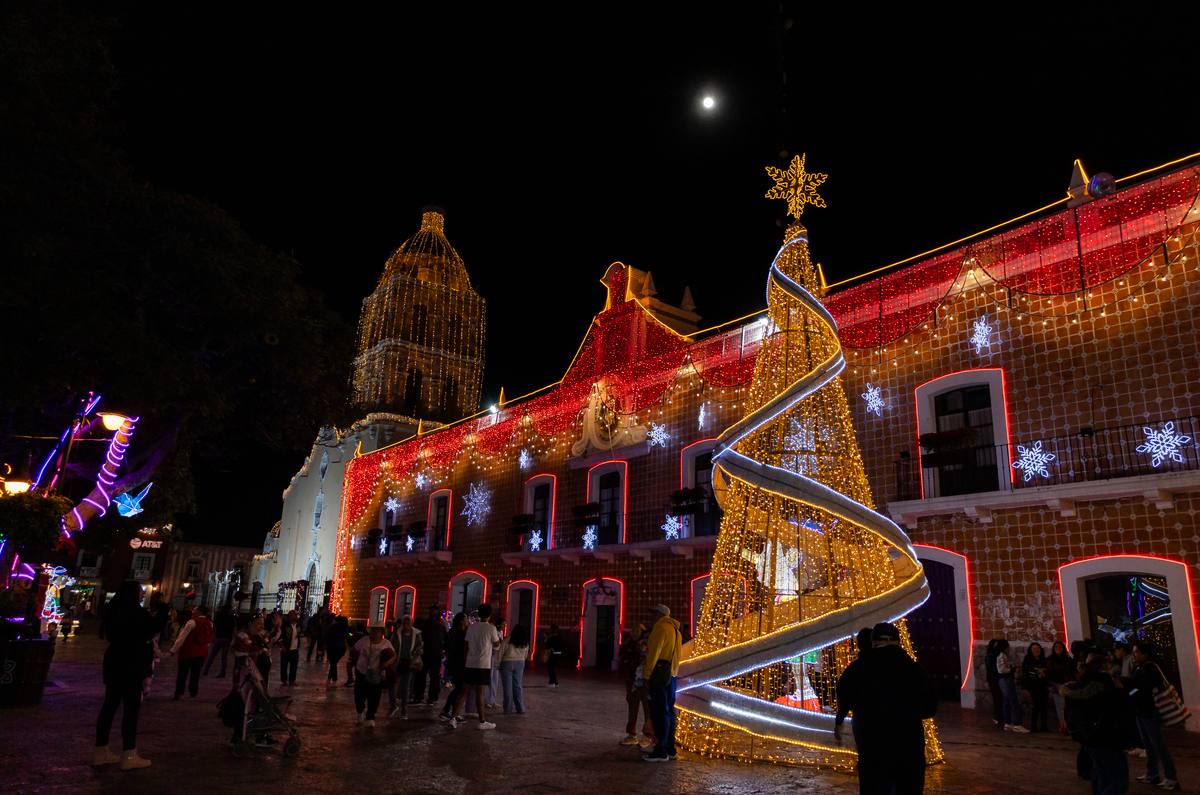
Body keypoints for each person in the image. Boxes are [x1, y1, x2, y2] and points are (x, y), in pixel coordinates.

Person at [837, 622, 937, 795]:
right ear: (898, 642)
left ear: (874, 642)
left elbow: (845, 697)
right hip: (908, 745)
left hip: (872, 745)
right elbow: (929, 708)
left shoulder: (857, 669)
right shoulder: (914, 669)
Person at [93, 581, 163, 770]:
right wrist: (162, 612)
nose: (142, 595)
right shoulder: (137, 612)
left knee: (109, 706)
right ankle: (129, 754)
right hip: (132, 663)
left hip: (114, 659)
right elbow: (150, 631)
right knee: (131, 709)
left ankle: (100, 751)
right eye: (140, 592)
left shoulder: (113, 610)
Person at [1064, 651, 1135, 795]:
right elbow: (1118, 707)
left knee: (1100, 773)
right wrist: (1123, 691)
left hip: (1089, 736)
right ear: (1105, 665)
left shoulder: (1078, 684)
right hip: (1107, 735)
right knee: (1115, 778)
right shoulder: (1105, 683)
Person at [1129, 642, 1179, 790]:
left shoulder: (1150, 668)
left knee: (1158, 745)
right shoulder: (1141, 667)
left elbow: (1141, 688)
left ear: (1145, 653)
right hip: (1142, 710)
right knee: (1149, 744)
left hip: (1149, 710)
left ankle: (1171, 777)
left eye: (1137, 652)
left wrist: (1129, 693)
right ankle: (1152, 773)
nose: (1134, 655)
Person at [449, 604, 500, 730]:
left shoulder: (471, 628)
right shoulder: (491, 628)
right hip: (483, 665)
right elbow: (497, 644)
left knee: (463, 692)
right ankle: (482, 721)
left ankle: (453, 718)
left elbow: (466, 646)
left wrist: (467, 659)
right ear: (489, 615)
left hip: (470, 663)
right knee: (480, 693)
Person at [642, 604, 682, 762]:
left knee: (659, 712)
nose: (652, 617)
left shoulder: (661, 628)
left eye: (654, 614)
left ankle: (660, 750)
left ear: (660, 615)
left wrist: (646, 675)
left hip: (659, 676)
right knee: (669, 712)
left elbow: (654, 653)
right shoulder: (676, 631)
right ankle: (670, 748)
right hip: (672, 675)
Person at [833, 627, 874, 747]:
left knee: (866, 756)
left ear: (859, 645)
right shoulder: (890, 666)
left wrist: (839, 721)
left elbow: (843, 693)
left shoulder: (854, 669)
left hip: (862, 720)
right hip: (890, 721)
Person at [351, 625, 396, 727]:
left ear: (382, 632)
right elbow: (354, 649)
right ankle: (360, 712)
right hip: (362, 671)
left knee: (374, 696)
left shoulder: (386, 643)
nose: (374, 632)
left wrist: (386, 664)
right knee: (359, 694)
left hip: (377, 673)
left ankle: (370, 717)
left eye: (377, 630)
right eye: (373, 630)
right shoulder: (364, 641)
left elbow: (394, 656)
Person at [618, 624, 653, 747]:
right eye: (633, 630)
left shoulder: (645, 645)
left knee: (647, 708)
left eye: (637, 630)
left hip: (644, 681)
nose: (634, 633)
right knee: (632, 707)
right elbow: (622, 659)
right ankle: (631, 734)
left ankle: (648, 735)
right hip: (632, 680)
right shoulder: (628, 645)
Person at [168, 605, 213, 700]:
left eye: (195, 609)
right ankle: (193, 692)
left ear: (199, 611)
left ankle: (179, 693)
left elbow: (181, 637)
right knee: (195, 674)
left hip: (188, 651)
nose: (193, 610)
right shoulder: (209, 623)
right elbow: (208, 639)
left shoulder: (192, 622)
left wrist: (173, 650)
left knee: (182, 674)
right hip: (201, 653)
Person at [388, 615, 423, 718]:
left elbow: (419, 647)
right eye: (405, 623)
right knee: (392, 685)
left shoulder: (416, 634)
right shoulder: (397, 633)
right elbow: (392, 646)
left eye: (408, 623)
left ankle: (404, 710)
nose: (407, 625)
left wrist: (417, 654)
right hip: (397, 662)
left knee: (405, 687)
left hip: (409, 662)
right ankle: (394, 705)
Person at [439, 612, 469, 721]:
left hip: (454, 662)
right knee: (459, 689)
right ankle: (448, 711)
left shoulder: (453, 632)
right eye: (465, 619)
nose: (467, 621)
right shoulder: (460, 633)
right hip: (459, 663)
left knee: (459, 688)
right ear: (461, 621)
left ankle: (453, 712)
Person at [994, 639, 1028, 732]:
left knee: (1007, 701)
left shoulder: (1001, 655)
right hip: (1006, 679)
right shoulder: (1001, 655)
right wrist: (1012, 669)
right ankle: (1017, 724)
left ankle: (1008, 723)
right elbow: (1001, 669)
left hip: (1004, 680)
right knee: (1013, 701)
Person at [416, 607, 445, 706]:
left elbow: (420, 639)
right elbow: (445, 640)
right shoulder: (440, 626)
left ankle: (419, 696)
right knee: (434, 677)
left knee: (422, 676)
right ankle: (432, 697)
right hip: (436, 654)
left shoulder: (424, 625)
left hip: (426, 653)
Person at [499, 623, 531, 715]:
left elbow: (501, 651)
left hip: (507, 663)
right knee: (518, 686)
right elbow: (525, 655)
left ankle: (508, 709)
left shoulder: (508, 640)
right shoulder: (525, 642)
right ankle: (520, 707)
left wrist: (497, 663)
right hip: (520, 663)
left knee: (507, 687)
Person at [1047, 640, 1075, 733]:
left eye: (1060, 647)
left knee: (1067, 706)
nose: (1058, 649)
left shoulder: (1068, 659)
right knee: (1060, 706)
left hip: (1067, 684)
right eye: (1056, 647)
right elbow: (1049, 674)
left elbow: (1071, 672)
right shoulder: (1050, 660)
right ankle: (1063, 725)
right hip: (1056, 684)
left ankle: (1067, 725)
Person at [1022, 641, 1050, 732]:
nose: (1036, 650)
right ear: (1031, 650)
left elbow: (1048, 671)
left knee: (1044, 707)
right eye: (1034, 649)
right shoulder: (1028, 659)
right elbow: (1026, 672)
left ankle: (1044, 726)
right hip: (1033, 686)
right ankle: (1033, 727)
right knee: (1036, 707)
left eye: (1038, 648)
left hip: (1043, 686)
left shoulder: (1043, 659)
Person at [204, 604, 235, 678]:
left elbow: (214, 626)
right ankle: (223, 672)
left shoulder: (219, 616)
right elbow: (234, 629)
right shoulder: (231, 617)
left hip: (219, 637)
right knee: (224, 657)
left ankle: (206, 670)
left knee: (212, 655)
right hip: (227, 638)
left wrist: (214, 636)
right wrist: (233, 639)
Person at [984, 639, 1004, 730]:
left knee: (999, 698)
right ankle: (998, 716)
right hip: (994, 680)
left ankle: (999, 716)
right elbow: (993, 669)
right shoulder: (991, 656)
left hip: (996, 679)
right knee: (997, 698)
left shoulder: (996, 655)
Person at [324, 615, 348, 686]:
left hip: (333, 648)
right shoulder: (345, 629)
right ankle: (332, 679)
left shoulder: (333, 628)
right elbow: (348, 636)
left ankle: (332, 679)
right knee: (333, 664)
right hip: (341, 649)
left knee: (333, 664)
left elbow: (327, 636)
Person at [279, 610, 301, 687]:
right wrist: (282, 647)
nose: (295, 616)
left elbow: (299, 635)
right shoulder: (285, 625)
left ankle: (292, 681)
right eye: (293, 615)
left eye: (296, 615)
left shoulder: (298, 625)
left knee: (294, 666)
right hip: (286, 649)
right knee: (284, 666)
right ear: (289, 616)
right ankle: (284, 681)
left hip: (295, 649)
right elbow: (281, 637)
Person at [487, 617, 505, 708]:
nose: (504, 626)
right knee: (489, 678)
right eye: (503, 624)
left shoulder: (501, 632)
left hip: (497, 656)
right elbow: (496, 643)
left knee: (495, 679)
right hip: (491, 656)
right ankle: (488, 700)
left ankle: (492, 700)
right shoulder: (493, 631)